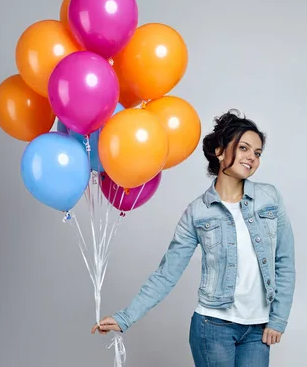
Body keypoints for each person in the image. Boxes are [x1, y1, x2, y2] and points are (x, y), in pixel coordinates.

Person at [91, 109, 296, 366]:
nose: (251, 158)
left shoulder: (269, 198)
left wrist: (278, 319)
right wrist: (126, 317)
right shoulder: (197, 212)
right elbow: (167, 274)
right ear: (219, 151)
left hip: (257, 329)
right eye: (243, 148)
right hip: (212, 328)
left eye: (257, 153)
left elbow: (284, 262)